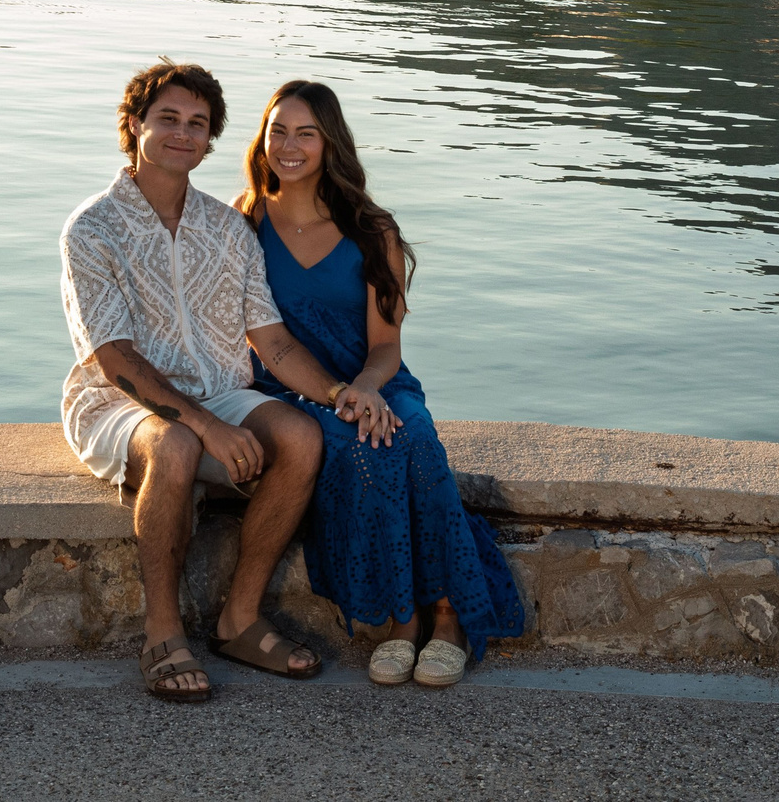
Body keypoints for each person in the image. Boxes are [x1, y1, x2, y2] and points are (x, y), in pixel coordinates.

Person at [58, 60, 335, 703]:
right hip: (116, 401)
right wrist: (205, 424)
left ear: (210, 140)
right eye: (168, 119)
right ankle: (162, 630)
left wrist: (338, 394)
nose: (183, 134)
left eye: (198, 124)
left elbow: (273, 341)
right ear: (134, 126)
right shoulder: (92, 228)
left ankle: (240, 618)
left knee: (300, 435)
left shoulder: (228, 227)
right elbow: (117, 360)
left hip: (219, 386)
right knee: (176, 444)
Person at [235, 80, 527, 689]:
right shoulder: (242, 222)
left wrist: (365, 389)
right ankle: (402, 618)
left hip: (376, 381)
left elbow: (387, 346)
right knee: (360, 455)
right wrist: (336, 396)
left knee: (415, 443)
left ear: (329, 143)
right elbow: (262, 340)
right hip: (291, 391)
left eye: (306, 133)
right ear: (262, 140)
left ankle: (445, 615)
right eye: (279, 131)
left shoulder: (372, 229)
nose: (290, 146)